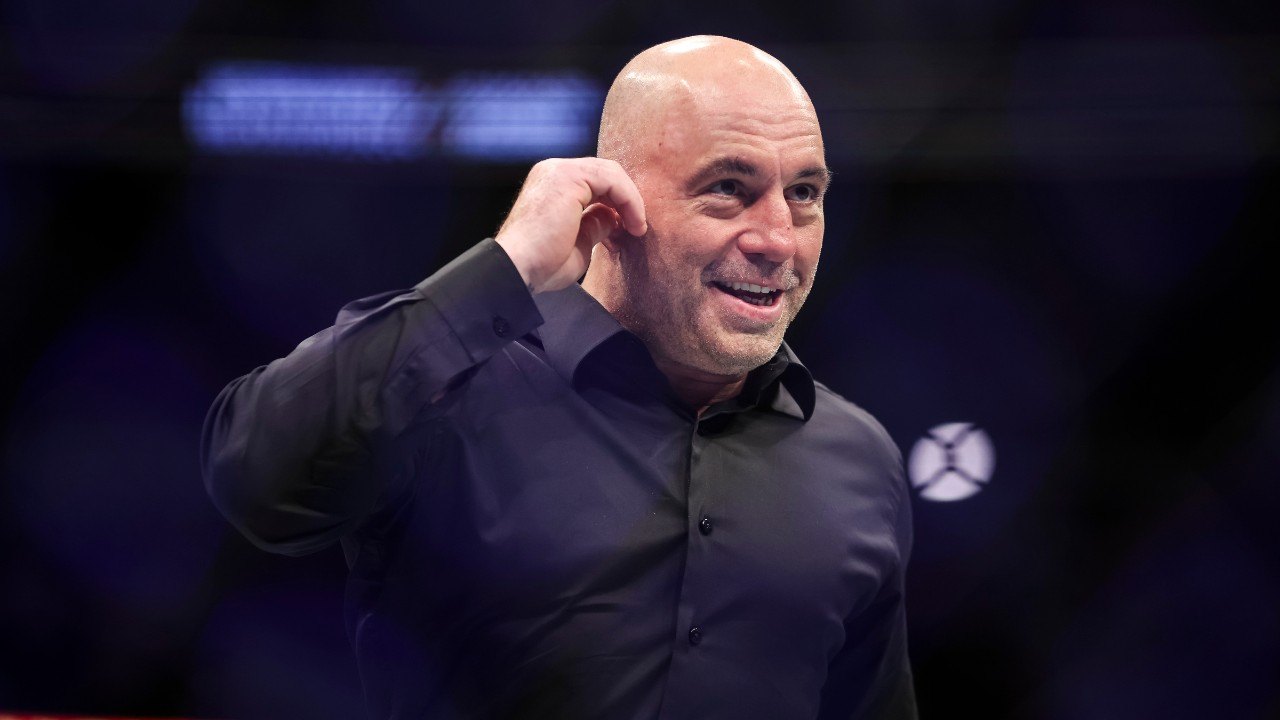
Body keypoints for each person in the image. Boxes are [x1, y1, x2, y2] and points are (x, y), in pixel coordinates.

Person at [202, 35, 916, 719]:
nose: (777, 241)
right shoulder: (450, 390)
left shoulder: (858, 459)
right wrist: (506, 269)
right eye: (729, 188)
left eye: (804, 193)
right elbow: (256, 477)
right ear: (610, 205)